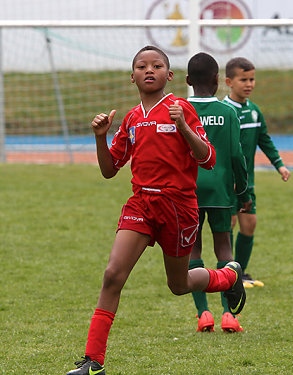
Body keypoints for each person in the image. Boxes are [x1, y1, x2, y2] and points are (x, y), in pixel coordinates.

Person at [66, 46, 246, 375]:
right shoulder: (133, 118)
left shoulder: (181, 108)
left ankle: (228, 277)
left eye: (157, 65)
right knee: (112, 276)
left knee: (178, 285)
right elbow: (109, 170)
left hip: (178, 207)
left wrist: (185, 128)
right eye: (142, 66)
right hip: (141, 204)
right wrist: (100, 137)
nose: (149, 70)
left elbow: (208, 158)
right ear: (132, 76)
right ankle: (94, 361)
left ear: (169, 75)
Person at [186, 52, 252, 333]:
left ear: (188, 80)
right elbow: (237, 157)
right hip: (222, 191)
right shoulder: (228, 113)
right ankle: (229, 314)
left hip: (187, 191)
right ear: (217, 80)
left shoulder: (179, 110)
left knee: (193, 249)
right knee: (224, 247)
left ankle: (203, 314)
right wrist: (244, 192)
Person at [223, 57, 291, 288]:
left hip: (247, 183)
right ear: (229, 82)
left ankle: (240, 274)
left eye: (252, 79)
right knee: (229, 224)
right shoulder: (224, 111)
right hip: (227, 183)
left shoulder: (254, 111)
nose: (249, 84)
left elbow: (264, 139)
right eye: (244, 79)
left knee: (249, 224)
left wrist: (279, 164)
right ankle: (228, 275)